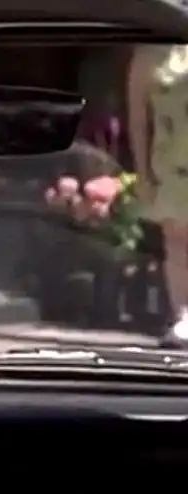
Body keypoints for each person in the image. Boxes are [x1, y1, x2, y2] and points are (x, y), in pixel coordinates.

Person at [128, 44, 188, 346]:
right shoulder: (148, 53)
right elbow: (139, 120)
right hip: (173, 163)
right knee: (176, 241)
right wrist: (143, 174)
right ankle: (184, 317)